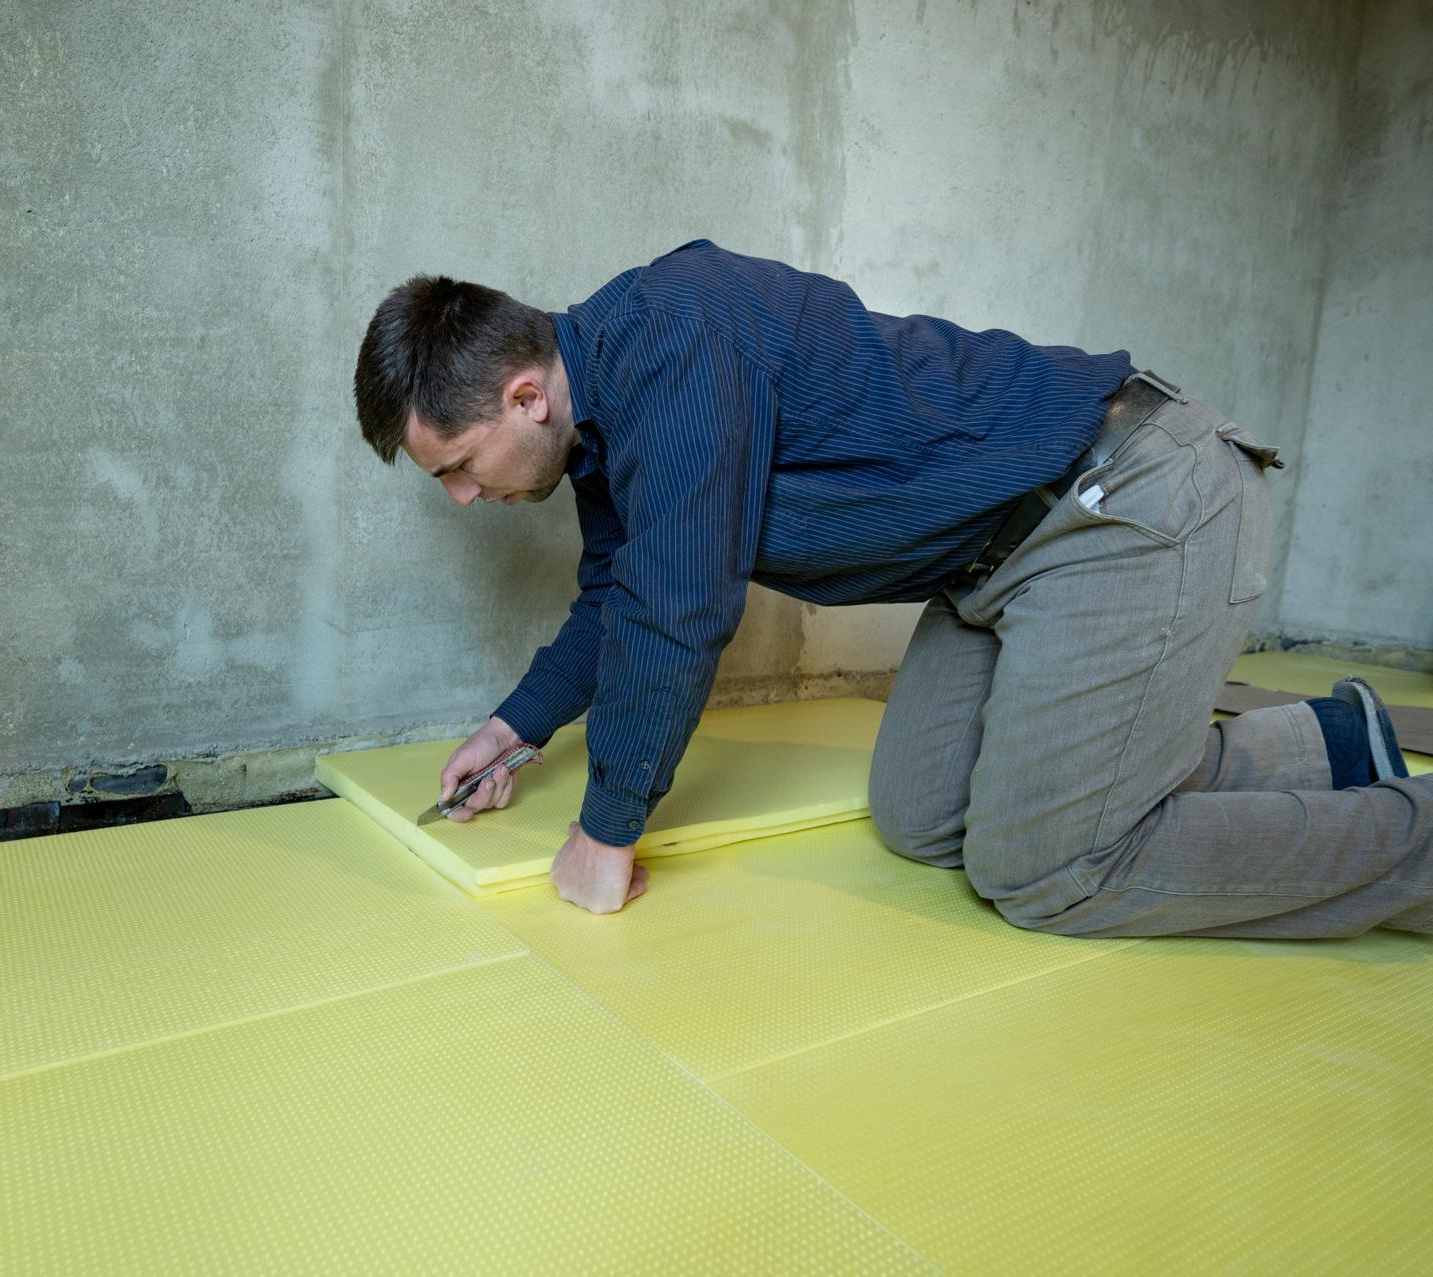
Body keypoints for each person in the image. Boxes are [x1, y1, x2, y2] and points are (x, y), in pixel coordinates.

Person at [350, 238, 1431, 937]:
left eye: (454, 465)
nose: (460, 496)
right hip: (996, 563)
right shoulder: (608, 424)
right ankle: (1331, 743)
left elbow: (678, 612)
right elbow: (625, 592)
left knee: (1051, 867)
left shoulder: (675, 336)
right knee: (921, 819)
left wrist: (605, 828)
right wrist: (516, 725)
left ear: (525, 393)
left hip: (1130, 500)